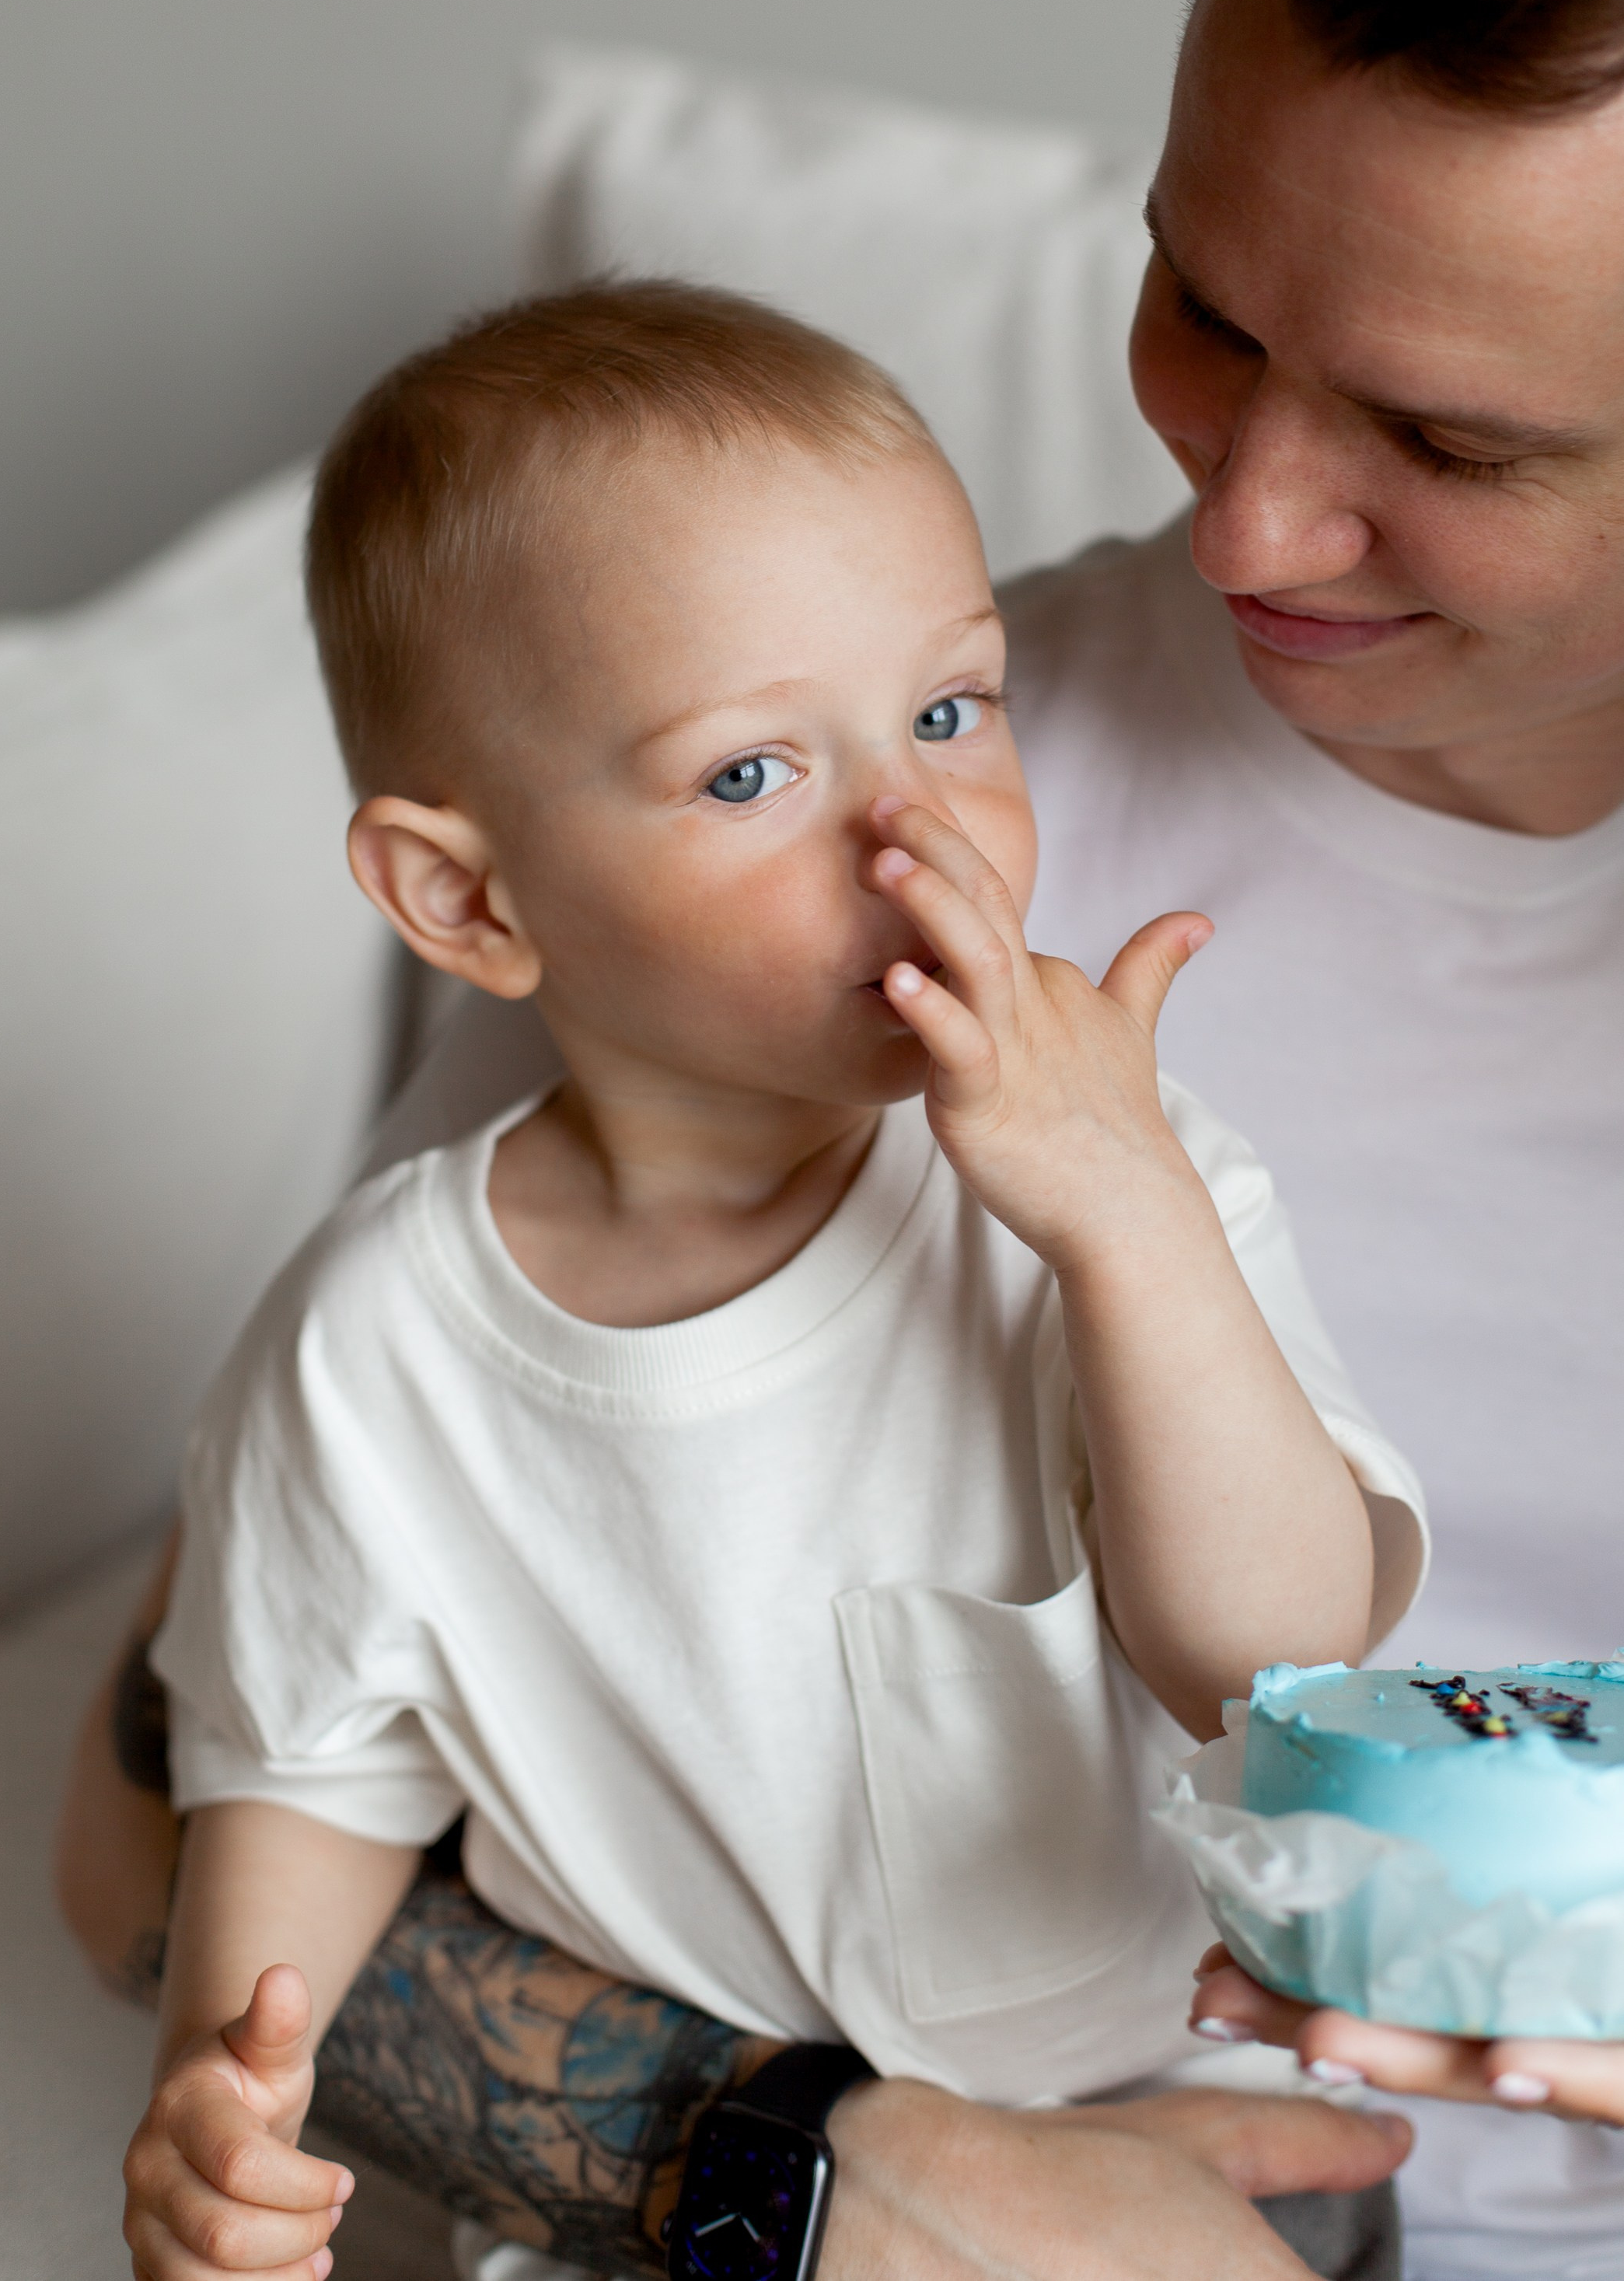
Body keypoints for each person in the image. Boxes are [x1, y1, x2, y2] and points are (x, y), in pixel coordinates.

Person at [58, 0, 1624, 2274]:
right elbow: (184, 1785)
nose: (1240, 536)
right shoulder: (755, 794)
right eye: (1202, 306)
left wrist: (1123, 1232)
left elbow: (1281, 1634)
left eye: (1452, 446)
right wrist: (802, 2184)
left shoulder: (1102, 1127)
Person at [116, 278, 1425, 2281]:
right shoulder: (370, 1348)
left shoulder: (1117, 1189)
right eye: (751, 775)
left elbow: (1272, 1665)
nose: (920, 831)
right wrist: (226, 2103)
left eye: (949, 707)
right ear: (467, 898)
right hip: (703, 2217)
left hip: (1183, 2136)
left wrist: (1126, 1232)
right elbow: (296, 1773)